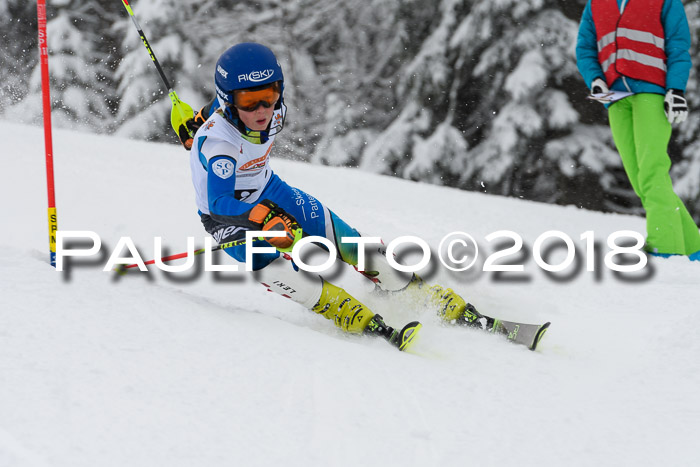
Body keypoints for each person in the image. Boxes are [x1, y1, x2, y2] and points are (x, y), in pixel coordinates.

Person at [171, 42, 493, 351]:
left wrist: (197, 119)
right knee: (277, 268)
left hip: (268, 189)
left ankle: (417, 292)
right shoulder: (221, 147)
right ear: (230, 101)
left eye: (268, 96)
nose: (262, 110)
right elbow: (219, 202)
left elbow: (226, 105)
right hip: (228, 218)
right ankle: (346, 311)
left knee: (344, 239)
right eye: (249, 102)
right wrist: (261, 216)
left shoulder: (268, 111)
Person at [576, 0, 700, 262]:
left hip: (651, 94)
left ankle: (663, 247)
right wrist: (595, 79)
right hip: (616, 98)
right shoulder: (597, 4)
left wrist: (675, 90)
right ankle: (694, 248)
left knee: (652, 171)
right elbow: (585, 47)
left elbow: (678, 46)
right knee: (639, 177)